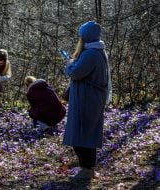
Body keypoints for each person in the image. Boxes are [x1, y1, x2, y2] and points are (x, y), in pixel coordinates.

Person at [63, 21, 112, 180]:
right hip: (89, 98)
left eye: (81, 35)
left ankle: (87, 169)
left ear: (86, 36)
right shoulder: (95, 51)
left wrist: (69, 64)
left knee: (83, 133)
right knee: (85, 133)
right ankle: (86, 167)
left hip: (87, 99)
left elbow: (76, 73)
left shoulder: (91, 54)